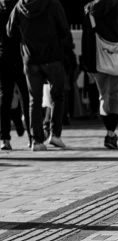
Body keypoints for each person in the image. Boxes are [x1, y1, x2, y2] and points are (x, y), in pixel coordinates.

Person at [6, 0, 70, 151]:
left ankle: (37, 141)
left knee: (34, 100)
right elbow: (64, 31)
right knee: (57, 97)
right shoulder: (53, 3)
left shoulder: (20, 6)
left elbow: (10, 31)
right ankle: (55, 134)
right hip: (52, 57)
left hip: (30, 59)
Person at [81, 0, 118, 149]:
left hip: (98, 60)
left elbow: (86, 38)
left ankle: (109, 132)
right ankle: (111, 133)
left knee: (104, 97)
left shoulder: (90, 10)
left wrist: (87, 64)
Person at [0, 0, 30, 150]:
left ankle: (4, 138)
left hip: (3, 57)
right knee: (26, 97)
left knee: (5, 99)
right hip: (21, 56)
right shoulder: (21, 7)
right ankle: (32, 138)